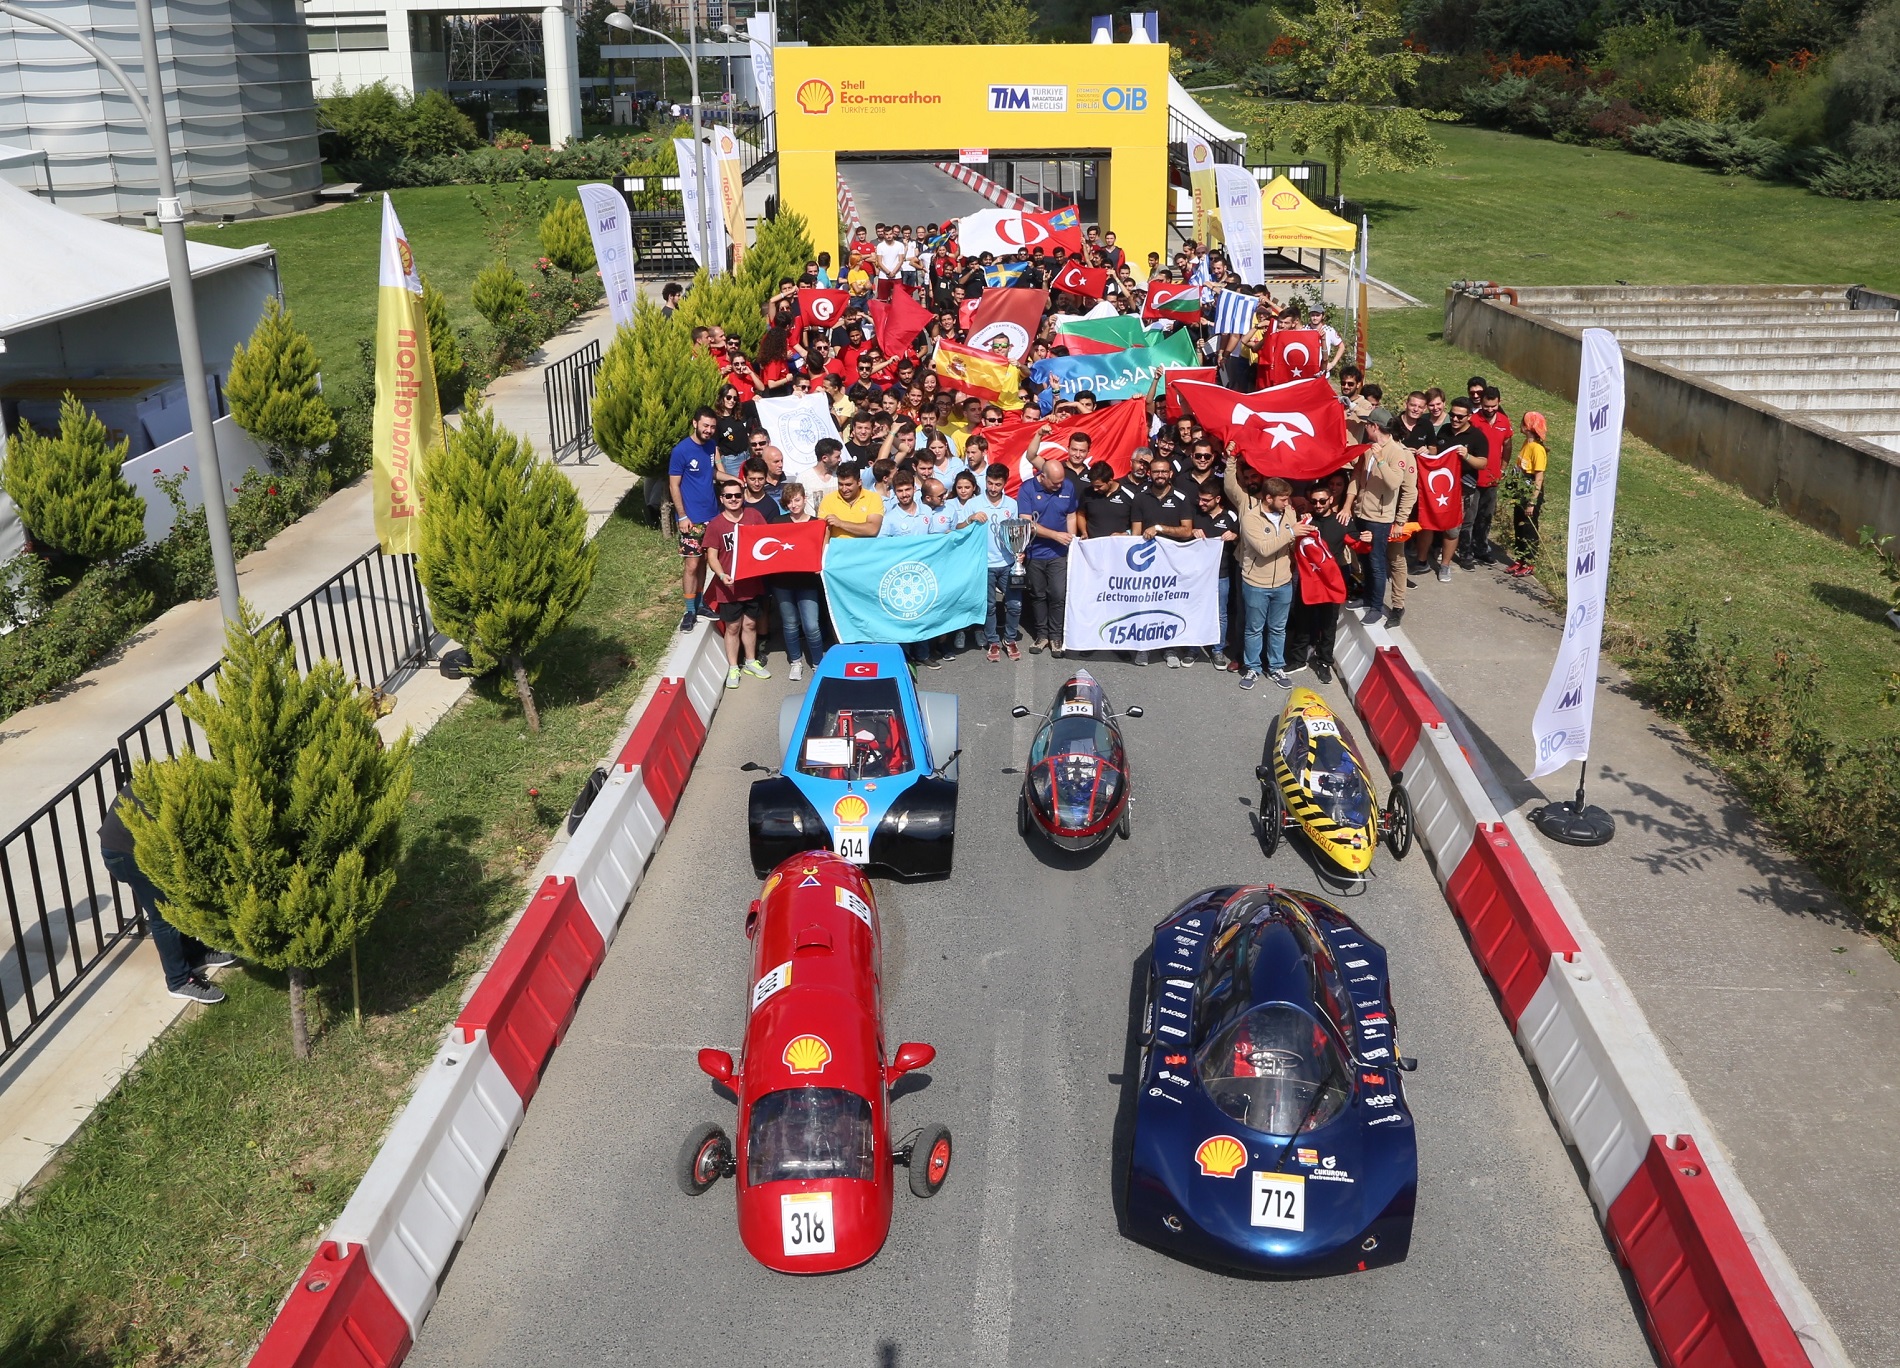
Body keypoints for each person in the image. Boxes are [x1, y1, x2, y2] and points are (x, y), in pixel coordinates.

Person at [98, 785, 233, 1003]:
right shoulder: (177, 794)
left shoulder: (185, 784)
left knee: (177, 901)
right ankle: (179, 980)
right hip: (124, 853)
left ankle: (195, 954)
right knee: (164, 913)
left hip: (139, 845)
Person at [1224, 456, 1306, 690]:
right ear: (1268, 498)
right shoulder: (1251, 518)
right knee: (1254, 628)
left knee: (1278, 628)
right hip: (1256, 582)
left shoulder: (1288, 513)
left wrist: (1303, 530)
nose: (1286, 502)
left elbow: (1290, 542)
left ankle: (1276, 667)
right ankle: (1252, 668)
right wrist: (1292, 533)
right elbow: (1264, 548)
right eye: (1282, 499)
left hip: (1283, 581)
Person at [700, 479, 772, 689]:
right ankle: (733, 667)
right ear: (722, 499)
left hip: (752, 583)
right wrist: (721, 575)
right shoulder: (716, 525)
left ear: (743, 496)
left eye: (737, 495)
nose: (733, 499)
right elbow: (711, 556)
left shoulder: (754, 517)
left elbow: (766, 541)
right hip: (729, 586)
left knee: (750, 624)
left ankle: (750, 661)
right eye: (728, 496)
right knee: (733, 627)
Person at [1133, 453, 1199, 667]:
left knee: (1170, 604)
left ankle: (1169, 647)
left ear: (1170, 473)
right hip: (1148, 562)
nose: (1160, 475)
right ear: (1149, 474)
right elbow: (1136, 533)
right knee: (1144, 604)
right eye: (1156, 471)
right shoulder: (1140, 498)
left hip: (1174, 563)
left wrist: (1159, 529)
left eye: (1164, 471)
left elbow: (1187, 531)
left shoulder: (1181, 497)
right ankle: (1143, 647)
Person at [1348, 409, 1408, 628]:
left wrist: (1381, 461)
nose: (1365, 428)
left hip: (1380, 518)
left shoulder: (1396, 452)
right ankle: (1366, 596)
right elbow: (1358, 476)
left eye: (1367, 425)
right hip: (1362, 512)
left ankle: (1376, 606)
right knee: (1364, 559)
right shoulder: (1367, 448)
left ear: (1375, 427)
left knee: (1376, 562)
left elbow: (1394, 483)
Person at [1286, 482, 1347, 683]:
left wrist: (1368, 536)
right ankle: (1298, 660)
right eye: (1314, 501)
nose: (1318, 504)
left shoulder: (1342, 521)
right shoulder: (1305, 521)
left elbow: (1359, 543)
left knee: (1328, 626)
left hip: (1330, 583)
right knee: (1302, 623)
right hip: (1308, 582)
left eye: (1322, 501)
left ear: (1331, 500)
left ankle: (1324, 663)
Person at [1018, 457, 1079, 657]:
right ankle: (1041, 635)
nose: (1060, 486)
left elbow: (1071, 514)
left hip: (1059, 554)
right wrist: (1055, 535)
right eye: (1055, 483)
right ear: (1042, 477)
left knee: (1058, 595)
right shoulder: (1027, 490)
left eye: (1061, 482)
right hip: (1036, 552)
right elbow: (1026, 523)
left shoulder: (1067, 486)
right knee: (1038, 595)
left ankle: (1056, 636)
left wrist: (1072, 542)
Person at [766, 482, 825, 682]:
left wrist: (820, 564)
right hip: (782, 582)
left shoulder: (816, 523)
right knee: (790, 624)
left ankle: (818, 662)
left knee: (811, 626)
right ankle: (795, 662)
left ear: (804, 499)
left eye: (797, 500)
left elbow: (822, 549)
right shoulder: (777, 522)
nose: (794, 505)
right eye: (789, 501)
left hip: (807, 582)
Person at [669, 406, 721, 631]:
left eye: (712, 427)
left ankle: (700, 604)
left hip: (712, 517)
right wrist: (682, 515)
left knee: (703, 563)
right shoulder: (681, 451)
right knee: (691, 565)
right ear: (694, 423)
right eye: (705, 425)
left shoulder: (711, 447)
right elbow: (674, 484)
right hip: (692, 520)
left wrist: (734, 480)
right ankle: (689, 611)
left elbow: (712, 474)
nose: (708, 430)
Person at [1192, 480, 1239, 670]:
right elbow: (1184, 533)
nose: (1201, 503)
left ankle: (1217, 649)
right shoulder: (1196, 515)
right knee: (1196, 610)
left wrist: (1235, 536)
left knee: (1220, 614)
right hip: (1198, 575)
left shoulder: (1231, 517)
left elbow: (1243, 539)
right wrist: (1192, 532)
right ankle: (1193, 648)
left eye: (1206, 500)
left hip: (1222, 574)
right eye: (1200, 499)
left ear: (1218, 499)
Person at [1447, 398, 1495, 569]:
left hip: (1466, 486)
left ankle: (1466, 554)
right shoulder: (1444, 430)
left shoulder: (1477, 437)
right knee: (1445, 519)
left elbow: (1482, 463)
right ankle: (1439, 549)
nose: (1455, 419)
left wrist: (1467, 456)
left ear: (1468, 417)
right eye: (1452, 415)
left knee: (1465, 521)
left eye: (1460, 417)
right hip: (1444, 486)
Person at [1508, 411, 1549, 576]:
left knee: (1528, 529)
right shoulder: (1527, 443)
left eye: (1523, 422)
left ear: (1528, 427)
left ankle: (1530, 562)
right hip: (1520, 491)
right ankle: (1520, 559)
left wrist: (1532, 502)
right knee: (1518, 525)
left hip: (1530, 492)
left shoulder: (1537, 449)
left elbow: (1538, 477)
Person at [818, 460, 884, 538]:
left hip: (865, 549)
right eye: (840, 484)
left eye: (848, 485)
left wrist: (841, 523)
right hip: (838, 549)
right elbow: (822, 533)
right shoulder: (828, 500)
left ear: (859, 482)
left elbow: (872, 529)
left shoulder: (873, 498)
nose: (844, 489)